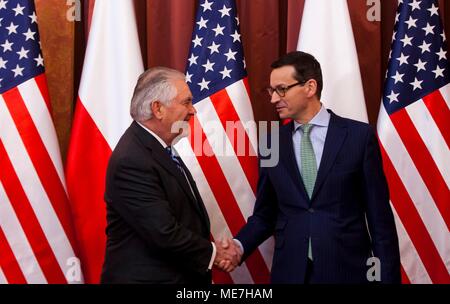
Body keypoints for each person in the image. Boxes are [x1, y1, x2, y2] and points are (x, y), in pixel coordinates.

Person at [221, 51, 401, 283]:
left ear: (310, 87)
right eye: (271, 91)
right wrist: (238, 245)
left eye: (281, 89)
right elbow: (266, 213)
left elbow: (379, 219)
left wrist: (388, 278)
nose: (274, 98)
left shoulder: (358, 137)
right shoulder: (271, 143)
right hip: (291, 273)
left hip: (348, 271)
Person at [100, 67, 240, 284]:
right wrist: (215, 254)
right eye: (186, 102)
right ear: (158, 108)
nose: (193, 110)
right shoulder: (133, 159)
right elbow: (163, 231)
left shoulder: (157, 148)